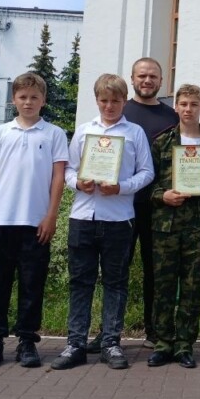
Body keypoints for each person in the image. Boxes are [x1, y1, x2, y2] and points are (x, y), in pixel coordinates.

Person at [52, 74, 154, 371]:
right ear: (96, 100)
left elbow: (147, 172)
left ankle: (111, 343)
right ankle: (75, 344)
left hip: (119, 219)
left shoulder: (135, 133)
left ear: (124, 101)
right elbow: (69, 169)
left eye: (115, 101)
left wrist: (121, 187)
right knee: (80, 282)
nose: (109, 106)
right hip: (83, 216)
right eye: (104, 100)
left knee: (116, 283)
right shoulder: (84, 131)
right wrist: (78, 183)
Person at [0, 72, 68, 369]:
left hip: (35, 222)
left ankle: (27, 341)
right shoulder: (0, 133)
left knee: (32, 286)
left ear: (43, 100)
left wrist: (51, 215)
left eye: (34, 97)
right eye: (22, 97)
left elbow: (58, 177)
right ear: (13, 99)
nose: (28, 102)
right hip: (2, 220)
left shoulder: (53, 134)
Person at [148, 84, 200, 369]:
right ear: (176, 107)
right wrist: (162, 195)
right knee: (163, 286)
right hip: (166, 226)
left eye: (194, 104)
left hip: (198, 227)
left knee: (192, 287)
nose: (188, 109)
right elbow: (147, 182)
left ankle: (184, 345)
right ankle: (162, 343)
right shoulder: (162, 142)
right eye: (183, 104)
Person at [114, 57, 179, 352]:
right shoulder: (120, 112)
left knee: (157, 272)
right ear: (132, 79)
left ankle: (155, 331)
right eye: (142, 76)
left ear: (161, 81)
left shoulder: (172, 117)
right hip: (121, 205)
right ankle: (109, 332)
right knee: (118, 270)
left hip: (160, 207)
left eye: (153, 76)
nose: (147, 80)